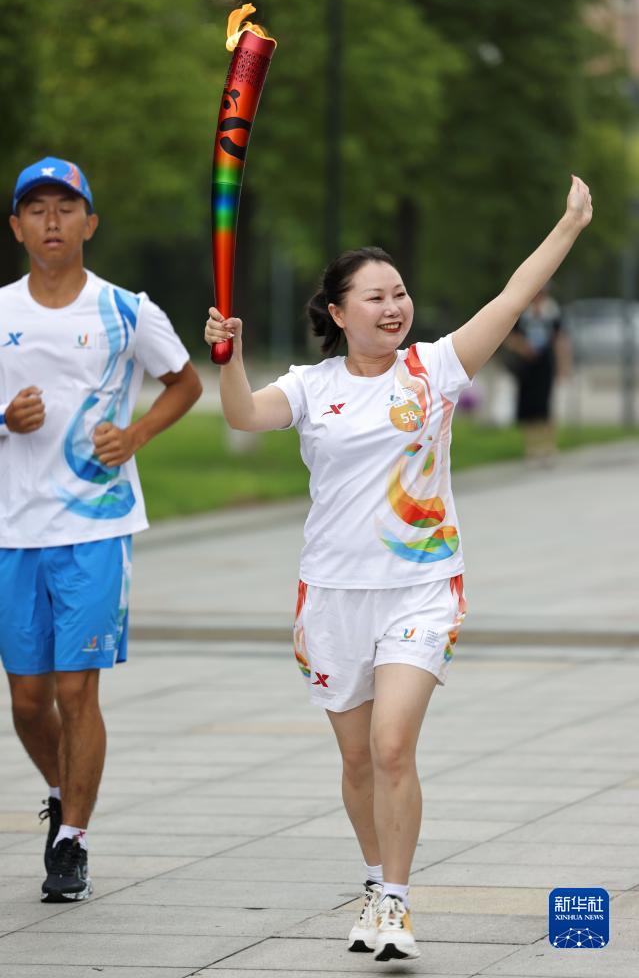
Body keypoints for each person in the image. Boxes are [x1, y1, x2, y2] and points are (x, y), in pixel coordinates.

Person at [204, 175, 592, 960]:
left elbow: (513, 298)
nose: (392, 307)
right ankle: (373, 877)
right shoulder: (311, 389)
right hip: (330, 599)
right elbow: (243, 414)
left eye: (399, 293)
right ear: (338, 312)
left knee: (389, 747)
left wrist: (570, 225)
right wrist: (231, 353)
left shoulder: (435, 370)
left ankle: (395, 902)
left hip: (419, 587)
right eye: (373, 297)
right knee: (354, 761)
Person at [0, 156, 202, 903]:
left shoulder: (126, 310)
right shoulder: (0, 312)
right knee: (27, 701)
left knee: (76, 692)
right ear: (17, 226)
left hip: (94, 527)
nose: (52, 222)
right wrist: (3, 419)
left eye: (66, 208)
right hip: (11, 529)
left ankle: (72, 842)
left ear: (90, 222)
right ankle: (62, 794)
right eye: (37, 210)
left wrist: (138, 434)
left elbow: (182, 381)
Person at [503, 283, 571, 463]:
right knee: (528, 406)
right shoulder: (522, 313)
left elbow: (560, 340)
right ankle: (531, 447)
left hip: (545, 364)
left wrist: (563, 366)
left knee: (545, 404)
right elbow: (509, 336)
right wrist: (523, 348)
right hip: (527, 365)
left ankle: (548, 446)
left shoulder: (552, 312)